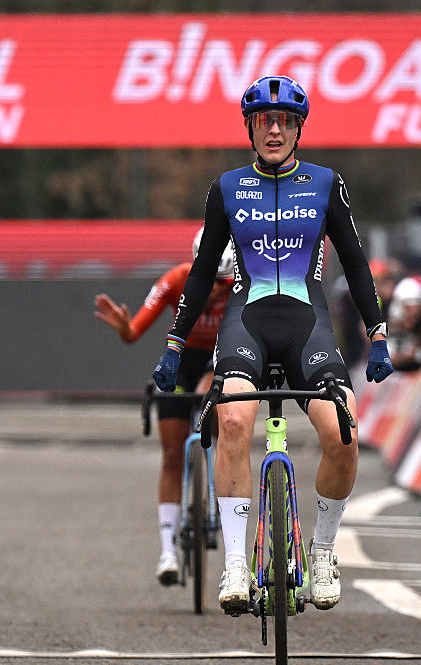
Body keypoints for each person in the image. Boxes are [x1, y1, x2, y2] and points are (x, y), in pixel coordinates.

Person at [151, 75, 392, 613]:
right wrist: (174, 343)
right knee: (232, 419)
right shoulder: (227, 187)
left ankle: (323, 552)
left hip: (308, 324)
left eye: (285, 120)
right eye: (265, 120)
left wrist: (377, 332)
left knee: (344, 431)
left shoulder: (326, 183)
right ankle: (236, 562)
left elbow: (354, 261)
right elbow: (201, 272)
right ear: (251, 128)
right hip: (248, 322)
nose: (275, 129)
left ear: (299, 128)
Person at [94, 229, 234, 586]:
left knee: (217, 400)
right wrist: (124, 328)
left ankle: (221, 500)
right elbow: (134, 332)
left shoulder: (240, 286)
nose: (216, 290)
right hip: (182, 361)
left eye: (223, 282)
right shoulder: (175, 280)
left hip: (222, 361)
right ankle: (167, 551)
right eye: (210, 282)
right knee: (172, 454)